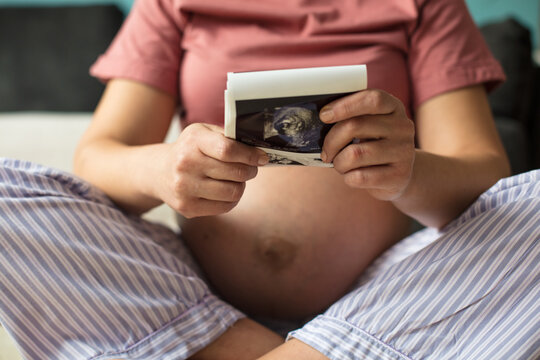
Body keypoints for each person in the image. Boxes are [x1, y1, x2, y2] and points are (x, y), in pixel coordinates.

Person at [0, 0, 538, 359]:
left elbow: (484, 180)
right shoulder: (172, 4)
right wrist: (160, 169)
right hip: (192, 291)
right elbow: (97, 160)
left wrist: (408, 169)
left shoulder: (426, 5)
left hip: (389, 299)